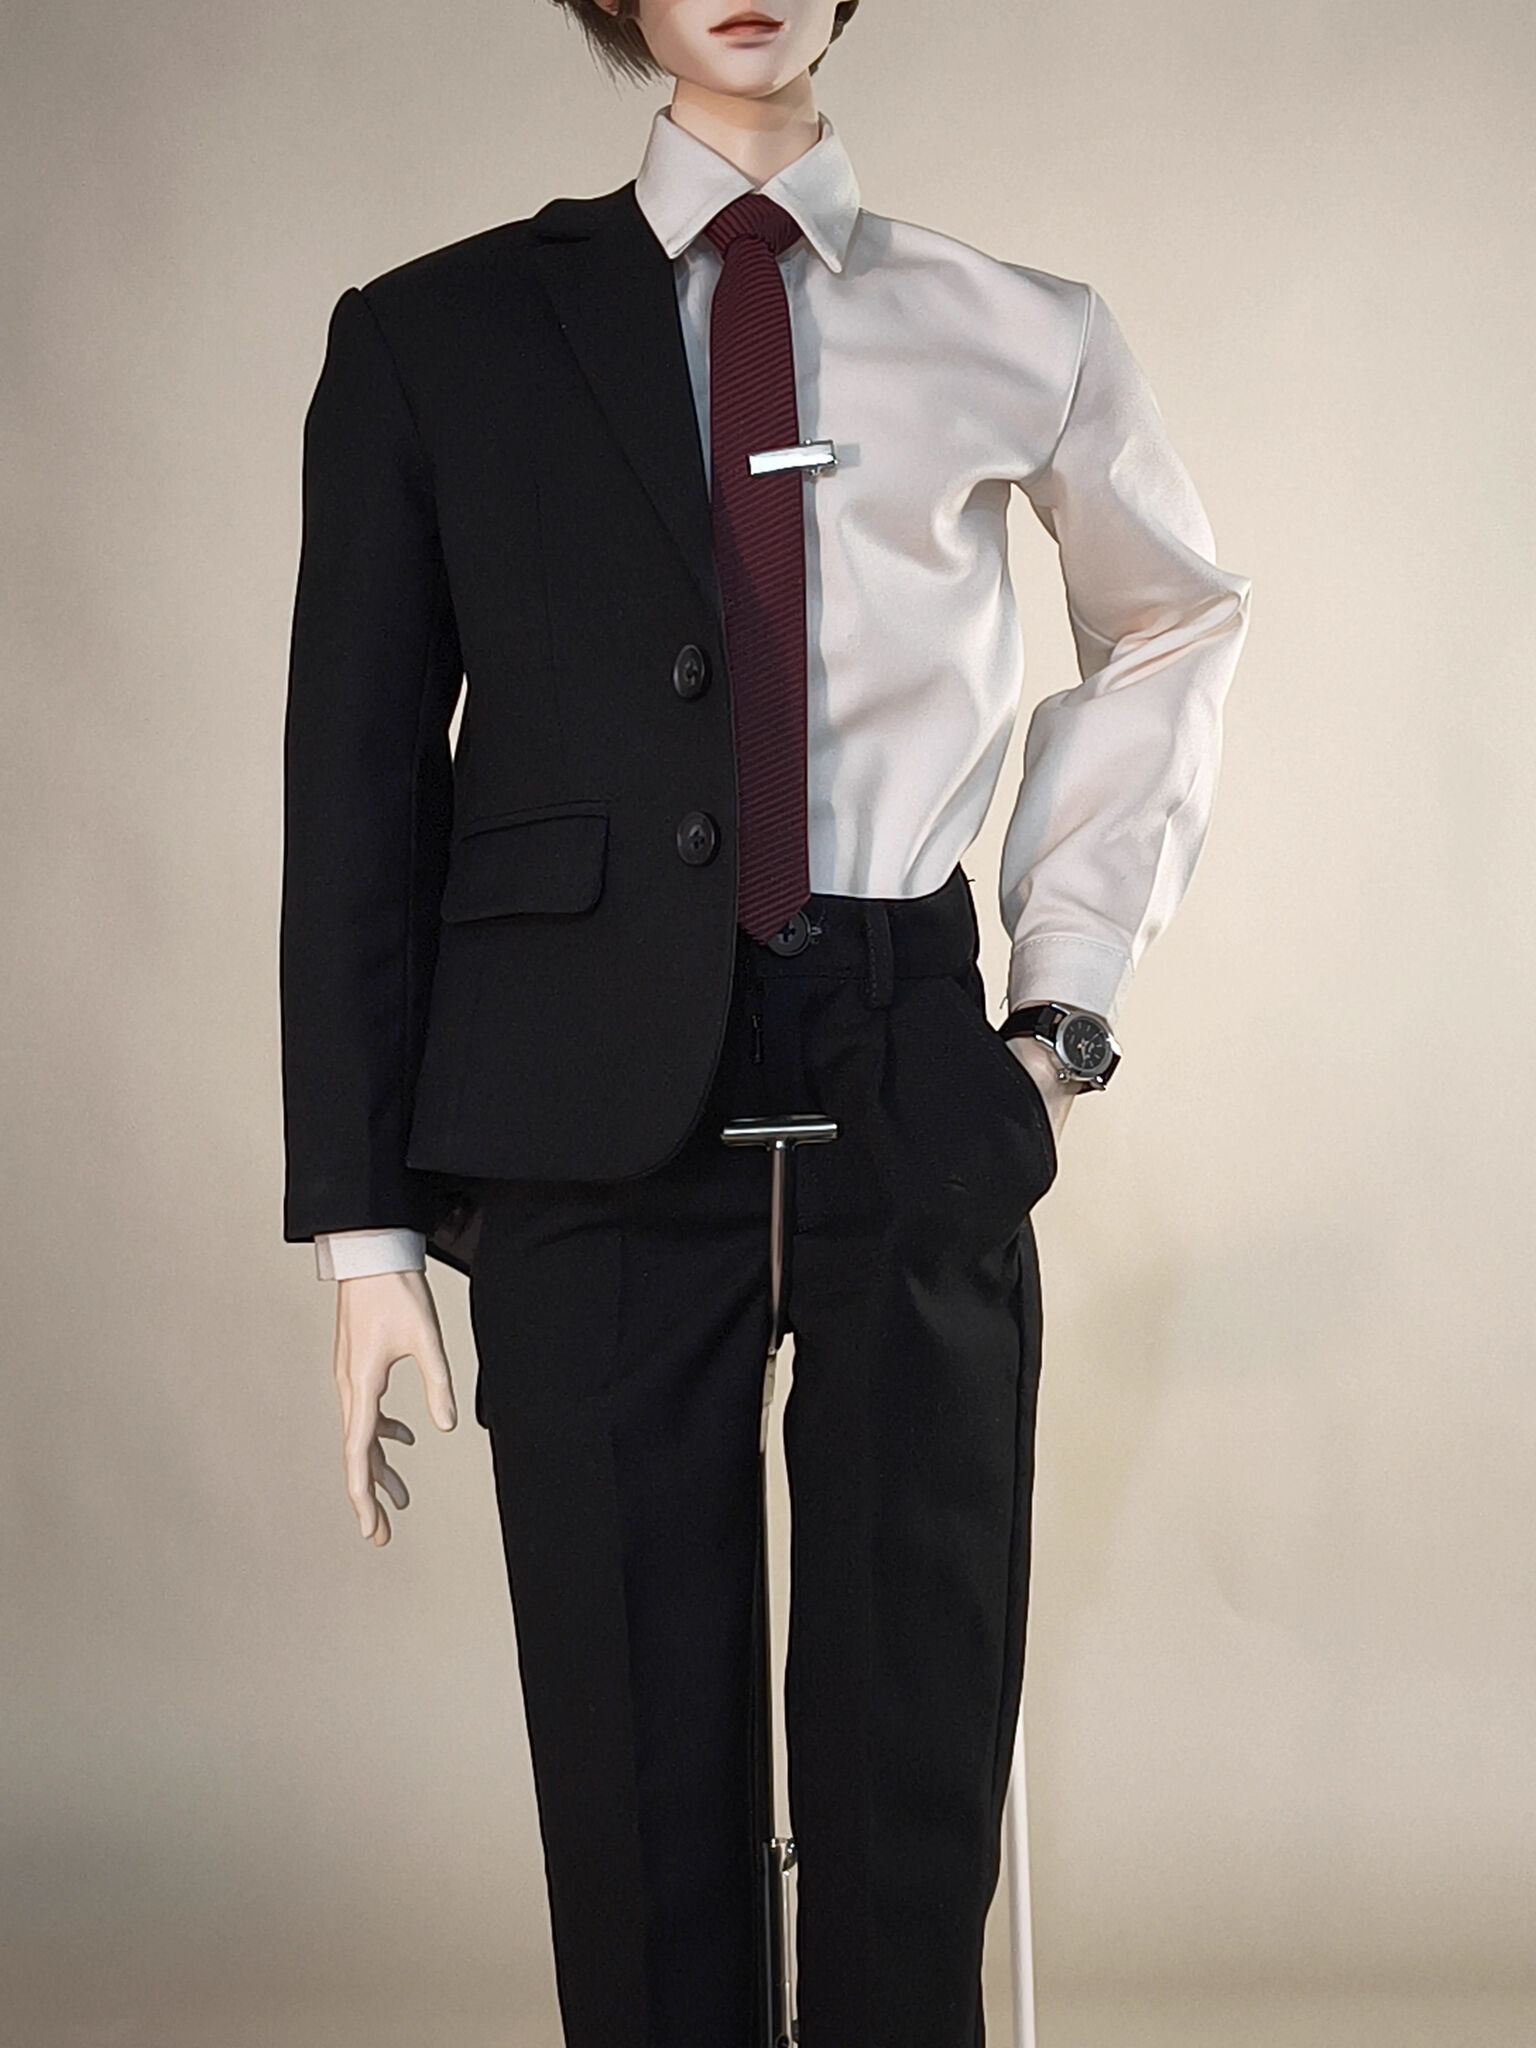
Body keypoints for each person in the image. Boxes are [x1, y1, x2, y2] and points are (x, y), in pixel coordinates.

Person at [279, 2, 1250, 2042]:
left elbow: (1175, 617)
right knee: (637, 1804)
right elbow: (359, 786)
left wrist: (1059, 1018)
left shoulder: (1026, 328)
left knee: (916, 1775)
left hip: (906, 1059)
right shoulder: (437, 337)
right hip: (582, 1109)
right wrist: (366, 1229)